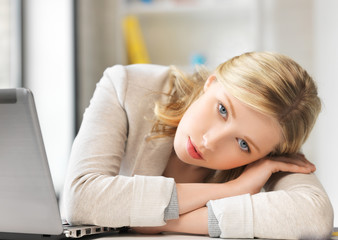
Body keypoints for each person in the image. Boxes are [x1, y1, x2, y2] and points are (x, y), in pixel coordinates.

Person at [62, 52, 333, 239]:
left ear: (266, 154)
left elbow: (313, 218)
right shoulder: (127, 86)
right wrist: (232, 190)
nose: (210, 141)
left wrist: (161, 221)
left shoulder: (271, 151)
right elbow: (80, 199)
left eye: (242, 144)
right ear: (211, 83)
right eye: (223, 110)